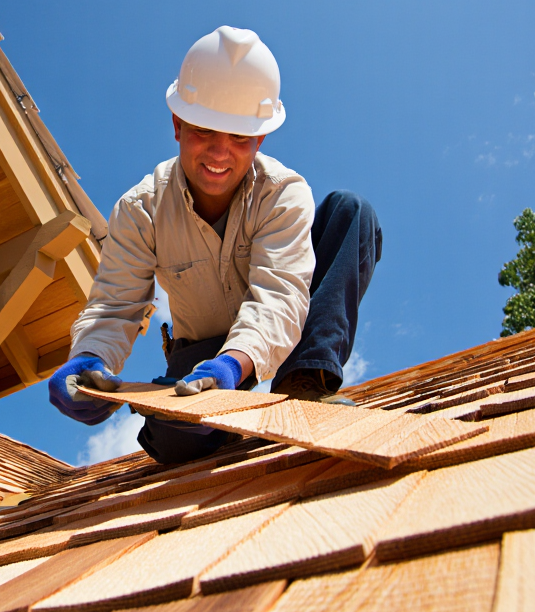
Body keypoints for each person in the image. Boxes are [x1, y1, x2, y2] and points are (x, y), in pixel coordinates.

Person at [48, 26, 382, 464]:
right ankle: (211, 429)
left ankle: (303, 383)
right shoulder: (140, 209)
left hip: (275, 337)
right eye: (204, 130)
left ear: (260, 139)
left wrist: (234, 364)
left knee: (350, 211)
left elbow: (279, 295)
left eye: (240, 137)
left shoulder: (283, 193)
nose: (220, 153)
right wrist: (88, 359)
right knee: (176, 444)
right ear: (177, 124)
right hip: (200, 354)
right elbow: (115, 306)